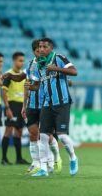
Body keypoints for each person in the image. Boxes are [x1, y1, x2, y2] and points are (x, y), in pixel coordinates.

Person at [4, 40, 62, 174]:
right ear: (34, 52)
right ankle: (36, 163)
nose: (40, 52)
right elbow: (24, 84)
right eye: (37, 50)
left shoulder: (49, 64)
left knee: (46, 135)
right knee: (32, 133)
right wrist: (24, 105)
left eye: (42, 49)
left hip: (45, 104)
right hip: (31, 105)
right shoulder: (30, 65)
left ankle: (54, 158)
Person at [28, 38, 78, 177]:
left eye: (44, 46)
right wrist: (30, 87)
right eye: (40, 46)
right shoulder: (38, 65)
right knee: (43, 136)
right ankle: (44, 168)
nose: (42, 49)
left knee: (62, 137)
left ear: (50, 48)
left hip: (62, 102)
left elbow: (74, 72)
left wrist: (55, 68)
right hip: (46, 104)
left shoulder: (59, 58)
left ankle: (73, 157)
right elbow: (37, 85)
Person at [1, 51, 30, 165]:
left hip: (20, 106)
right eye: (20, 60)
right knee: (8, 130)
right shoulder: (8, 74)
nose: (22, 63)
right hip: (11, 105)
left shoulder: (23, 75)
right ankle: (4, 158)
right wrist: (7, 108)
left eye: (23, 61)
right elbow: (4, 92)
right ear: (14, 61)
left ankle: (19, 158)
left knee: (18, 131)